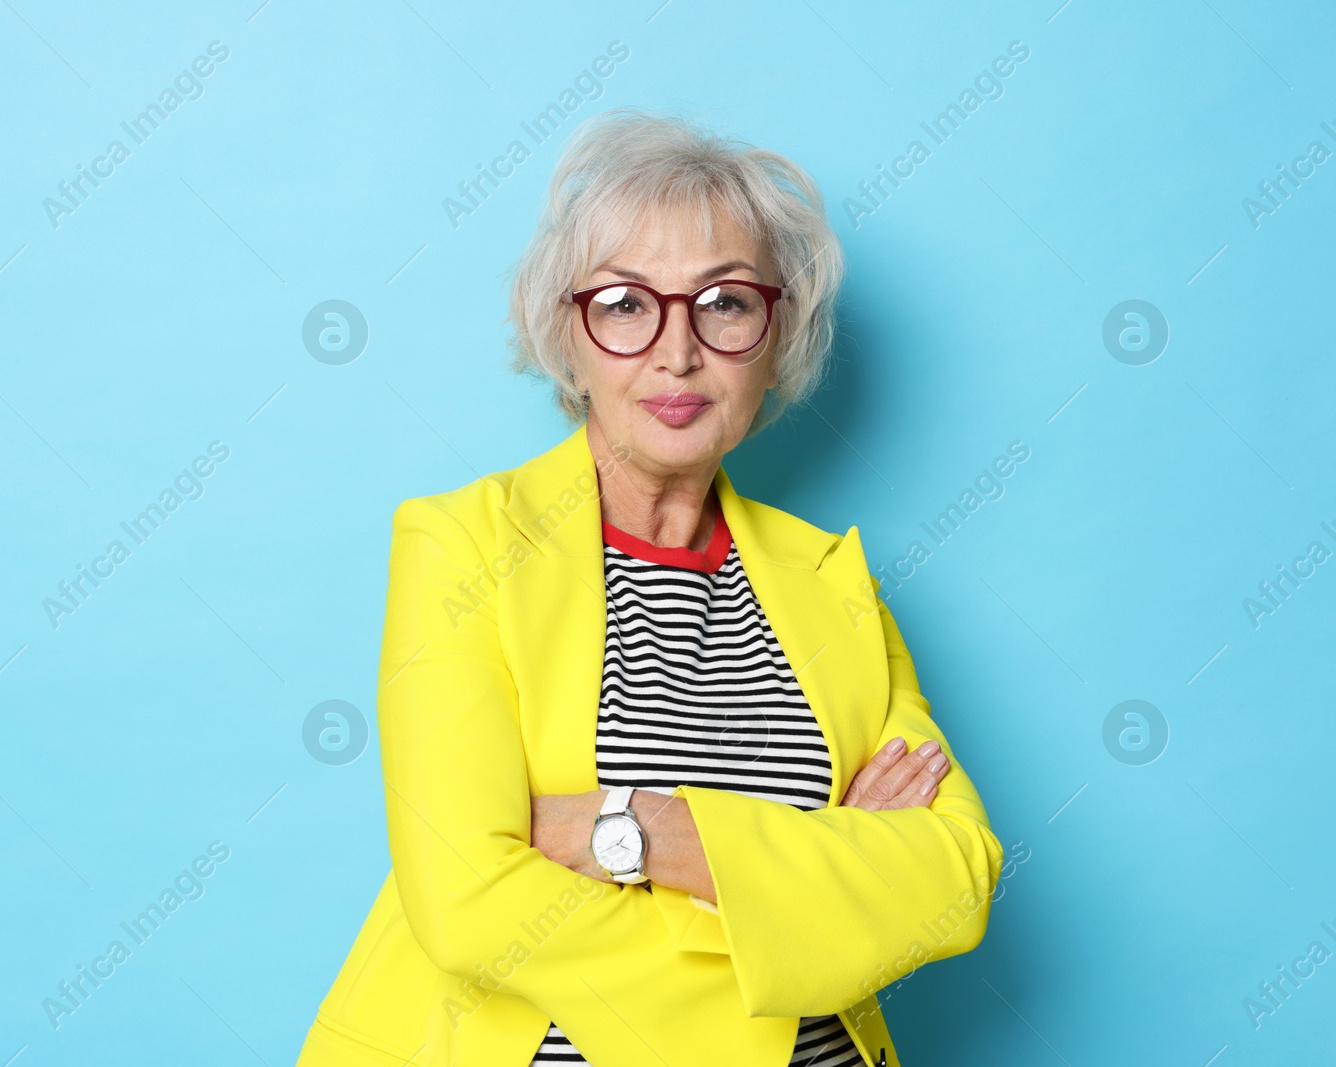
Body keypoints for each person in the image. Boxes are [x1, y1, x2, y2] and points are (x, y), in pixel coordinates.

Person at [295, 106, 1002, 1067]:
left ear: (775, 333)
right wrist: (807, 907)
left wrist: (631, 829)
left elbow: (952, 882)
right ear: (568, 332)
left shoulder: (832, 578)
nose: (678, 352)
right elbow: (469, 909)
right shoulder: (462, 547)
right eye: (626, 303)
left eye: (724, 303)